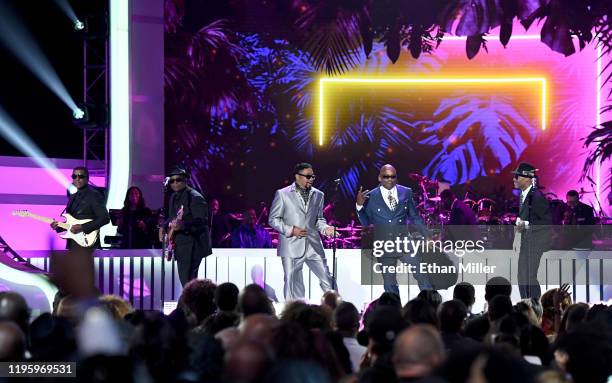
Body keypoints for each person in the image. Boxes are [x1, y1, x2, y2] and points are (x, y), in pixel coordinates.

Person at [356, 164, 430, 295]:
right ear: (379, 178)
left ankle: (432, 306)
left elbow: (414, 216)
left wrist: (427, 235)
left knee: (422, 276)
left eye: (392, 176)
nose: (389, 179)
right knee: (390, 285)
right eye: (386, 177)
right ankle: (394, 313)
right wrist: (359, 206)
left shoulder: (406, 192)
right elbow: (366, 222)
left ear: (396, 178)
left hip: (405, 242)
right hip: (384, 245)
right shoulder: (371, 196)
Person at [268, 162, 335, 300]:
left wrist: (325, 228)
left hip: (313, 245)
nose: (311, 179)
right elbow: (273, 219)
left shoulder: (318, 194)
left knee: (327, 278)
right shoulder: (282, 194)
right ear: (297, 176)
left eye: (313, 177)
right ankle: (294, 315)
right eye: (308, 176)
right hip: (291, 245)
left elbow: (318, 219)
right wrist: (291, 230)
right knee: (293, 282)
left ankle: (335, 311)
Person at [163, 166, 212, 286]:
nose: (174, 183)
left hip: (193, 244)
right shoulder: (174, 197)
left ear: (185, 180)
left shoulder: (195, 197)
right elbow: (172, 217)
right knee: (186, 279)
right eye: (172, 181)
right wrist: (163, 227)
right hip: (181, 244)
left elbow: (202, 221)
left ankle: (189, 304)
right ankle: (188, 303)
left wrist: (182, 225)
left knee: (188, 279)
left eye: (178, 179)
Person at [512, 162, 552, 299]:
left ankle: (533, 306)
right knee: (523, 275)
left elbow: (547, 222)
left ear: (527, 178)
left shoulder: (537, 197)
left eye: (517, 176)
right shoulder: (525, 195)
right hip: (527, 241)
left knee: (528, 276)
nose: (514, 179)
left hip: (535, 242)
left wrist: (526, 224)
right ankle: (527, 304)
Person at [50, 166, 110, 249]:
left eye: (81, 176)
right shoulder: (72, 194)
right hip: (73, 244)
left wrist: (82, 227)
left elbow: (105, 218)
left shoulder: (93, 195)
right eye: (74, 176)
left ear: (87, 179)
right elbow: (73, 221)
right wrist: (59, 226)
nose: (77, 179)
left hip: (88, 245)